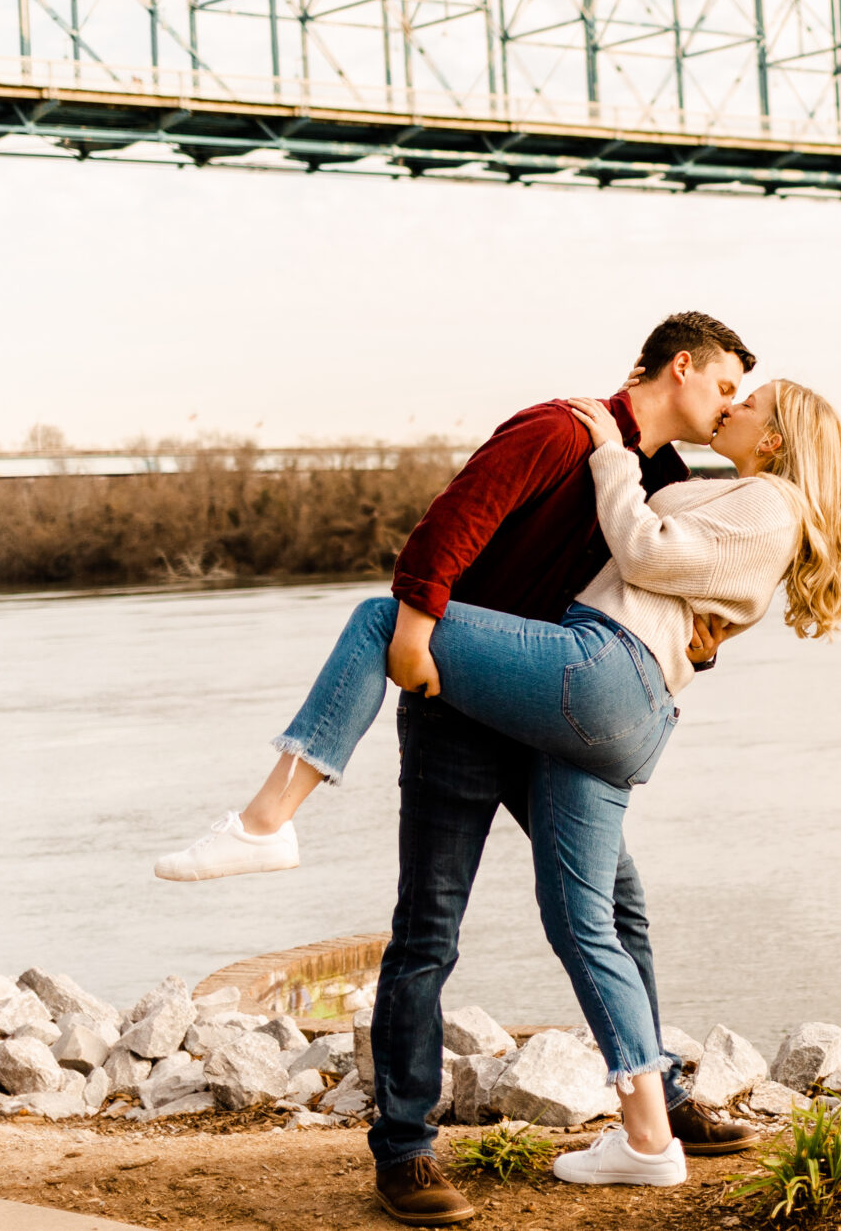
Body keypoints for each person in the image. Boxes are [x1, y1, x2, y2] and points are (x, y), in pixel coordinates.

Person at [151, 314, 772, 1225]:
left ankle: (661, 1098)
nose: (728, 409)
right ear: (681, 367)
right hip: (452, 703)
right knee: (429, 927)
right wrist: (411, 626)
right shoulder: (558, 430)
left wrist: (706, 643)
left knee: (617, 905)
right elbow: (451, 524)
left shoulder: (664, 483)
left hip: (550, 714)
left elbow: (670, 602)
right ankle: (404, 1151)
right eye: (724, 386)